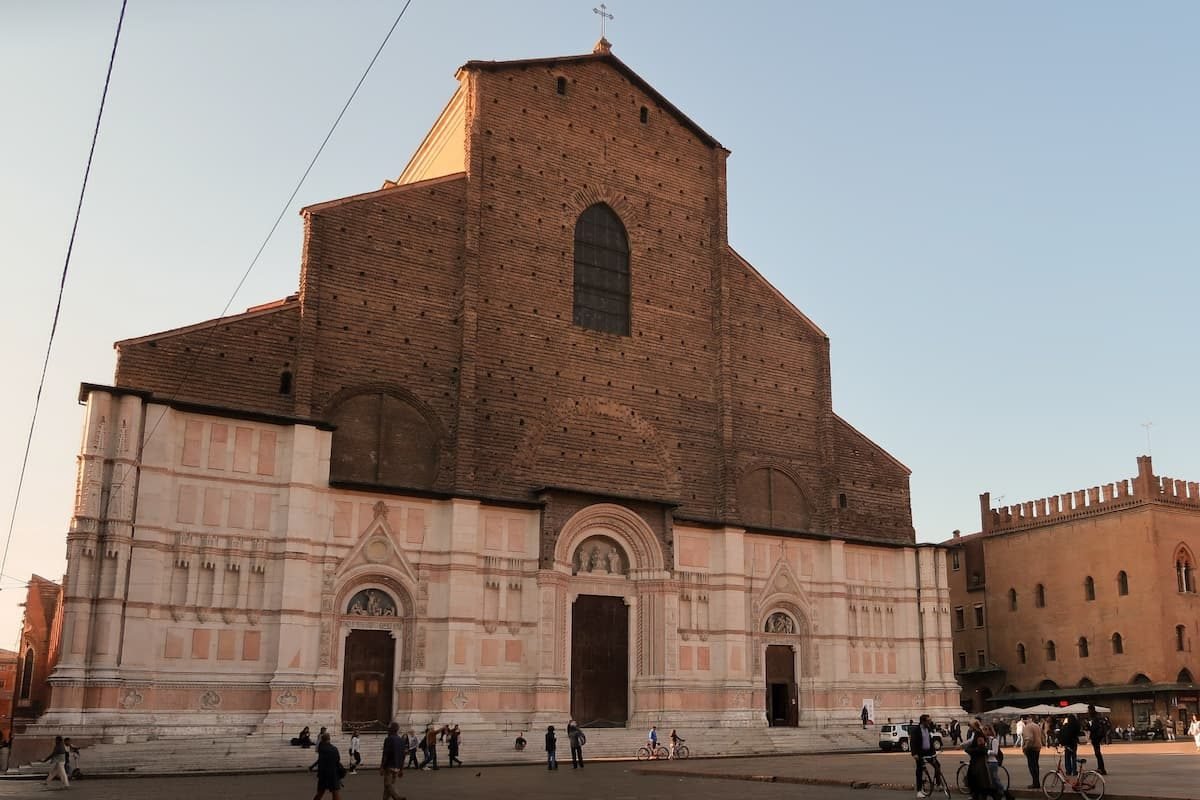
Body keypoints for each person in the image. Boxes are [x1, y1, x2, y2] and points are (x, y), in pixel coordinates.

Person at [963, 725, 998, 800]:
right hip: (977, 763)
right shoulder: (979, 736)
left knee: (983, 784)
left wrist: (969, 750)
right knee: (981, 784)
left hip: (979, 764)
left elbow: (980, 749)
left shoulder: (980, 737)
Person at [308, 732, 345, 800]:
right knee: (335, 792)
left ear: (322, 739)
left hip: (323, 774)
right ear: (329, 739)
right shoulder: (334, 748)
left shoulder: (321, 748)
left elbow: (320, 760)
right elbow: (337, 760)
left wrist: (312, 766)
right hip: (333, 774)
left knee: (320, 792)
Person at [909, 714, 938, 798]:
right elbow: (913, 742)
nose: (930, 722)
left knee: (937, 766)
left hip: (929, 752)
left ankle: (938, 782)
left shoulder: (928, 728)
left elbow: (931, 741)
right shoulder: (916, 730)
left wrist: (934, 752)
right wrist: (914, 753)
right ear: (923, 721)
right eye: (928, 720)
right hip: (920, 753)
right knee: (919, 770)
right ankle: (919, 790)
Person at [380, 721, 405, 800]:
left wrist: (382, 766)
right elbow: (403, 756)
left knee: (388, 785)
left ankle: (397, 797)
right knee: (387, 788)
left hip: (389, 766)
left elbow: (385, 754)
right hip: (397, 766)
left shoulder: (388, 739)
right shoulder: (401, 740)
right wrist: (401, 769)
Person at [1020, 711, 1044, 789]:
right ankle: (1037, 782)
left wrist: (1025, 747)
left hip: (1031, 748)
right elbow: (1042, 735)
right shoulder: (1036, 725)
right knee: (1036, 765)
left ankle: (1035, 783)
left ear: (1023, 719)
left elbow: (1029, 739)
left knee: (1032, 766)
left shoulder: (1027, 727)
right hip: (1037, 747)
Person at [1086, 705, 1107, 776]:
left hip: (1096, 737)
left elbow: (1094, 728)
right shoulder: (1097, 717)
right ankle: (1100, 768)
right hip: (1097, 737)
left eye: (1088, 710)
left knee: (1098, 753)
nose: (1088, 712)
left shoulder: (1095, 718)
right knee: (1098, 753)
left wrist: (1088, 726)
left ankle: (1102, 769)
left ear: (1091, 710)